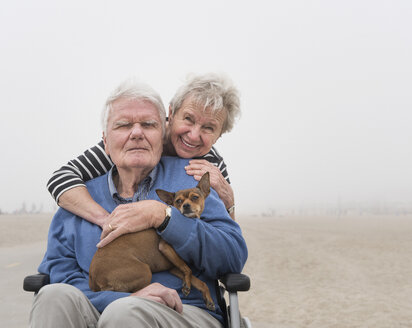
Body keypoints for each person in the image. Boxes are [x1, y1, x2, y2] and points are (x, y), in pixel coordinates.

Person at [30, 79, 248, 328]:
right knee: (52, 296)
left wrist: (167, 216)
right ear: (105, 141)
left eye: (148, 124)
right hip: (96, 306)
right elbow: (61, 272)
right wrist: (113, 298)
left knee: (127, 313)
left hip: (182, 310)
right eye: (123, 125)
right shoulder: (78, 197)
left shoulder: (194, 177)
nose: (136, 133)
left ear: (161, 132)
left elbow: (232, 256)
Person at [47, 73, 240, 235]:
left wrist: (229, 200)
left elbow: (227, 235)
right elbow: (61, 178)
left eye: (208, 128)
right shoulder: (137, 142)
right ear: (171, 113)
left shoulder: (211, 164)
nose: (194, 135)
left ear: (219, 135)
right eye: (188, 119)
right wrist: (108, 220)